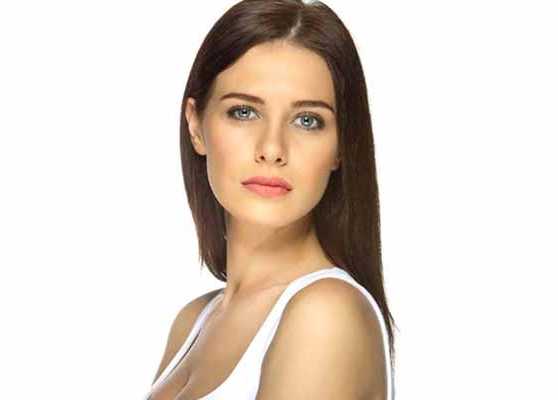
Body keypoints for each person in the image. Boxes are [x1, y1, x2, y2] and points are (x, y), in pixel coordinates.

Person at [146, 0, 397, 398]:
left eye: (307, 120)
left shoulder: (326, 315)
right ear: (196, 125)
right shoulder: (193, 321)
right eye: (244, 112)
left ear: (340, 147)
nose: (272, 148)